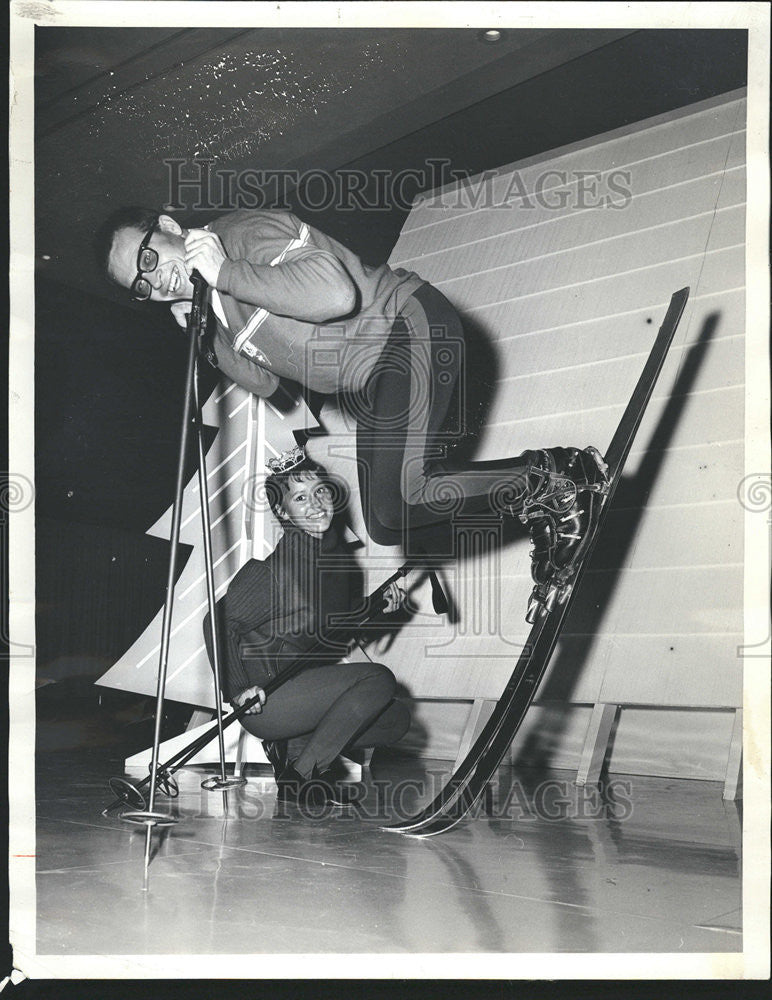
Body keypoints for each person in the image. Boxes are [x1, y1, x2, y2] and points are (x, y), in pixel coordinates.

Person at [97, 206, 608, 593]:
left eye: (148, 257)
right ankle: (544, 495)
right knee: (389, 520)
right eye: (141, 286)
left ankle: (556, 477)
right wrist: (207, 334)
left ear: (167, 226)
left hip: (407, 324)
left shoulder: (239, 236)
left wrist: (224, 273)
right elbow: (270, 388)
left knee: (405, 493)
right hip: (380, 372)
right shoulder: (212, 298)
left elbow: (334, 295)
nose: (154, 279)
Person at [202, 449, 410, 807]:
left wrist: (376, 610)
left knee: (395, 720)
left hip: (302, 691)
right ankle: (304, 776)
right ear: (283, 512)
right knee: (379, 679)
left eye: (321, 492)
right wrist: (237, 689)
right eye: (300, 497)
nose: (316, 504)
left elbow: (328, 630)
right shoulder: (272, 572)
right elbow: (217, 623)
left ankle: (292, 753)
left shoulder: (333, 564)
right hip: (270, 698)